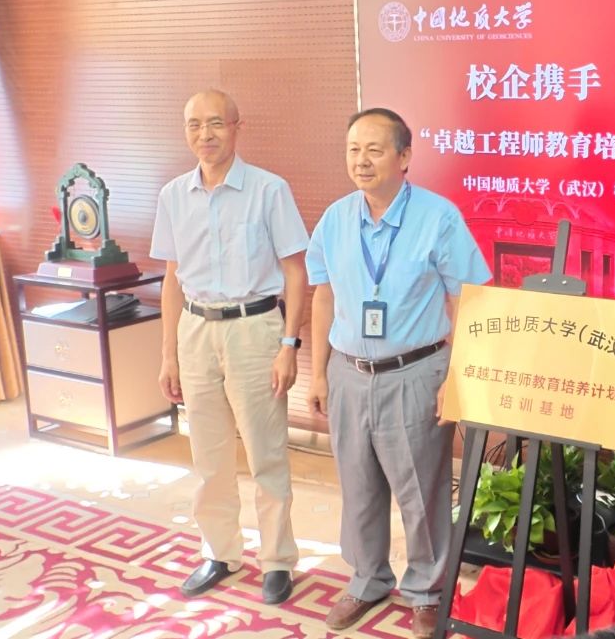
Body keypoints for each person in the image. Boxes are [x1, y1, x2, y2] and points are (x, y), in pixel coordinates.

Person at [306, 107, 492, 637]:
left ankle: (428, 591)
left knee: (421, 491)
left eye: (374, 149)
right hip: (348, 372)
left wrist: (458, 378)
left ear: (404, 157)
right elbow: (323, 296)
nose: (361, 161)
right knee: (358, 485)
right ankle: (367, 579)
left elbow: (470, 299)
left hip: (416, 372)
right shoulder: (335, 219)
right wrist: (318, 373)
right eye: (353, 150)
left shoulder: (438, 217)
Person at [151, 89, 308, 605]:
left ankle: (277, 560)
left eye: (216, 122)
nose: (205, 134)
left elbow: (295, 271)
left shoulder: (269, 190)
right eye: (194, 125)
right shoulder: (173, 195)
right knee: (209, 453)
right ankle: (220, 552)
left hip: (254, 329)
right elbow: (171, 278)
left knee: (266, 453)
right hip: (195, 329)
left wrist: (289, 345)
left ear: (238, 126)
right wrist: (169, 354)